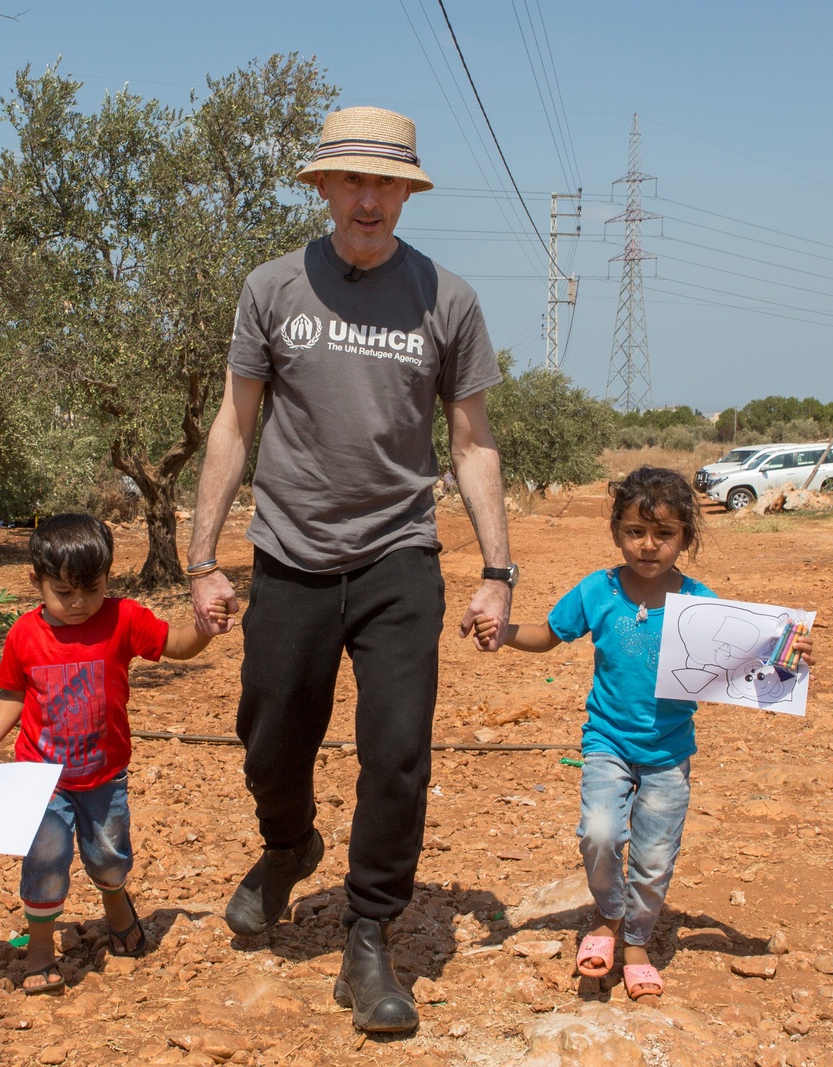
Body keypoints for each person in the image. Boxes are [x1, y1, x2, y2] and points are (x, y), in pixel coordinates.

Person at [186, 106, 515, 1033]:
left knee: (398, 753)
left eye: (388, 184)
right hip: (288, 553)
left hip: (399, 555)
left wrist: (498, 568)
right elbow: (234, 425)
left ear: (407, 195)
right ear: (324, 188)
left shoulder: (445, 299)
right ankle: (289, 845)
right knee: (271, 737)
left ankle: (369, 933)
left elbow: (474, 440)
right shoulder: (272, 288)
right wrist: (202, 558)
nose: (370, 199)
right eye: (354, 181)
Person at [475, 467, 813, 1004]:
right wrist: (505, 634)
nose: (648, 546)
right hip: (606, 742)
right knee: (601, 834)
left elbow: (749, 663)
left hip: (668, 755)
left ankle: (636, 943)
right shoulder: (598, 591)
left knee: (654, 859)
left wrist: (788, 660)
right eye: (635, 532)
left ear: (685, 538)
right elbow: (548, 634)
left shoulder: (701, 607)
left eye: (665, 535)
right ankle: (609, 917)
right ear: (616, 532)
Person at [0, 513, 218, 994]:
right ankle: (40, 948)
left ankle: (115, 902)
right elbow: (12, 695)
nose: (79, 604)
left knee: (109, 857)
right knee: (45, 860)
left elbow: (176, 646)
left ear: (108, 578)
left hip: (104, 776)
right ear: (37, 581)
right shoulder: (24, 636)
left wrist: (204, 627)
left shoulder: (123, 618)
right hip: (40, 779)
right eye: (64, 592)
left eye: (91, 590)